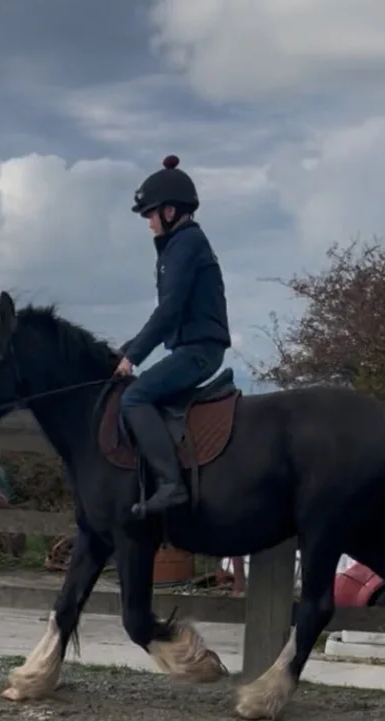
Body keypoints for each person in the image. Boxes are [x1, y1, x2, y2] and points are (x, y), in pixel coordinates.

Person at [115, 155, 231, 517]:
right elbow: (166, 312)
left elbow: (168, 312)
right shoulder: (179, 246)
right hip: (191, 347)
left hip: (199, 352)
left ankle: (171, 485)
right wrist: (125, 348)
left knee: (134, 398)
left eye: (150, 214)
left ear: (169, 212)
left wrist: (133, 356)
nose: (148, 223)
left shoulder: (185, 245)